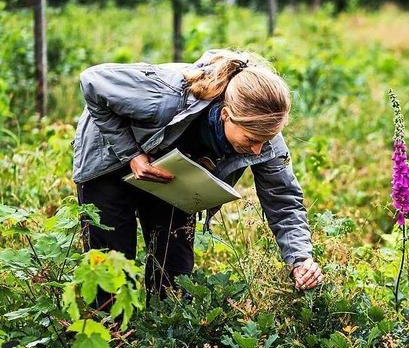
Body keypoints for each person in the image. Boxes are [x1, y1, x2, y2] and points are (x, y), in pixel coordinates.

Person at [72, 49, 323, 307]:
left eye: (266, 140)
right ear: (226, 114)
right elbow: (92, 80)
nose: (259, 150)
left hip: (173, 174)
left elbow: (283, 201)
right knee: (110, 268)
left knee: (174, 278)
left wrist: (300, 259)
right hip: (110, 161)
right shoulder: (167, 95)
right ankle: (111, 335)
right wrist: (132, 154)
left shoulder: (262, 131)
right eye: (251, 140)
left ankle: (163, 338)